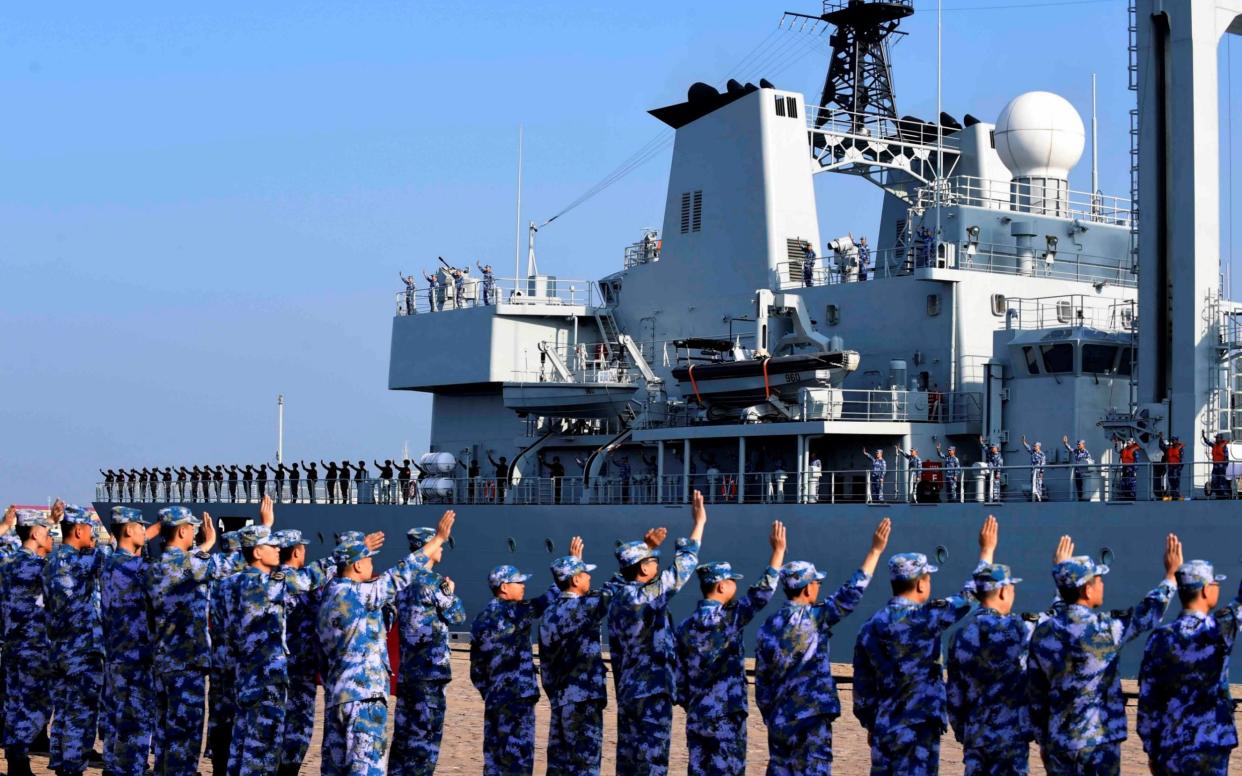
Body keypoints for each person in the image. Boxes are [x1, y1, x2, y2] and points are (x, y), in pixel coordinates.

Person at [854, 515, 999, 775]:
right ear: (921, 582)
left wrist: (872, 724)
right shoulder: (926, 617)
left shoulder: (870, 626)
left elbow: (863, 687)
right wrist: (987, 550)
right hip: (919, 726)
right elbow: (971, 596)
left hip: (885, 725)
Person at [1027, 535, 1181, 774]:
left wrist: (1043, 739)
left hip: (1060, 740)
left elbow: (1036, 694)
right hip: (1099, 743)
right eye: (1098, 579)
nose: (1102, 584)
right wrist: (1171, 576)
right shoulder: (1105, 629)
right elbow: (1148, 612)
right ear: (1087, 589)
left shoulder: (1044, 632)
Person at [316, 511, 453, 773]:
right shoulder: (360, 593)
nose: (371, 565)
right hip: (364, 700)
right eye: (368, 560)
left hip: (337, 698)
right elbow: (400, 574)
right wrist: (437, 539)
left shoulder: (329, 595)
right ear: (356, 566)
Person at [756, 518, 890, 775]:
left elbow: (762, 683)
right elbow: (851, 593)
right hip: (812, 719)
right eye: (816, 582)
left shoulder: (767, 627)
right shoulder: (815, 618)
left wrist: (772, 715)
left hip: (781, 719)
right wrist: (875, 551)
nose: (819, 585)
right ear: (807, 589)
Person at [947, 535, 1075, 775]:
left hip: (976, 737)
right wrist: (1062, 570)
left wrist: (964, 731)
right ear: (1003, 592)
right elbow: (1061, 617)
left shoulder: (959, 636)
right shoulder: (1020, 629)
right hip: (1011, 738)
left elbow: (954, 695)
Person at [146, 504, 252, 774]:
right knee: (185, 739)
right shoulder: (192, 564)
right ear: (182, 530)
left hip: (161, 662)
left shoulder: (155, 566)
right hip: (187, 665)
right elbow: (238, 561)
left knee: (165, 737)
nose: (194, 532)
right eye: (191, 528)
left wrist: (204, 545)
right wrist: (261, 527)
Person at [607, 489, 707, 774]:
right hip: (651, 691)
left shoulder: (618, 594)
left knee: (629, 762)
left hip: (629, 691)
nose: (657, 564)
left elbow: (621, 576)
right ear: (642, 570)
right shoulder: (643, 597)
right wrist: (699, 524)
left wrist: (645, 547)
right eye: (652, 561)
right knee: (652, 762)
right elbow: (680, 570)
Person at [680, 521, 788, 775]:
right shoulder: (729, 619)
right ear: (721, 586)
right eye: (731, 581)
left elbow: (677, 674)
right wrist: (778, 552)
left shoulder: (685, 627)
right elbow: (760, 595)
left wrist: (694, 702)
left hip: (698, 712)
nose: (734, 585)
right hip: (726, 712)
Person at [1137, 559, 1240, 774]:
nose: (1217, 588)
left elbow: (1148, 699)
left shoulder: (1160, 637)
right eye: (1215, 584)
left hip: (1171, 747)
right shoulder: (1218, 628)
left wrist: (1152, 749)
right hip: (1210, 746)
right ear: (1204, 590)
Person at [469, 554, 564, 775]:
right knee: (518, 761)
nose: (523, 587)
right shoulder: (516, 611)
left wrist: (492, 691)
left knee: (494, 760)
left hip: (494, 699)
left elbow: (476, 670)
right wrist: (570, 567)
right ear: (504, 587)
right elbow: (547, 599)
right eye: (519, 582)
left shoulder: (480, 619)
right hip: (518, 700)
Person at [43, 505, 113, 776]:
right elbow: (113, 555)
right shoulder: (82, 561)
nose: (93, 535)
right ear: (79, 530)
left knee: (62, 711)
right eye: (90, 529)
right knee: (81, 716)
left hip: (59, 648)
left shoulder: (52, 559)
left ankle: (61, 765)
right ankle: (73, 767)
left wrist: (52, 521)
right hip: (82, 651)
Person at [390, 527, 466, 775]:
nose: (441, 547)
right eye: (437, 544)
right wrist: (450, 593)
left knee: (402, 740)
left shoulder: (400, 582)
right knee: (425, 743)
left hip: (407, 672)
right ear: (428, 548)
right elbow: (458, 615)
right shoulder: (434, 583)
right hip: (430, 675)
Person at [538, 544, 614, 773]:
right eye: (584, 574)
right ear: (575, 581)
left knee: (559, 765)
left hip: (560, 698)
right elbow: (613, 592)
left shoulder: (549, 614)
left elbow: (545, 663)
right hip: (583, 700)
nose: (590, 577)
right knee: (585, 764)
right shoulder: (584, 607)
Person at [101, 506, 163, 776]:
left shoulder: (109, 562)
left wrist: (155, 531)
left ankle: (115, 768)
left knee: (118, 719)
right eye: (140, 527)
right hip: (136, 657)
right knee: (136, 721)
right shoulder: (136, 567)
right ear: (128, 529)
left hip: (116, 655)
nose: (143, 532)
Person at [1, 505, 57, 776]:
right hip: (34, 647)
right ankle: (18, 754)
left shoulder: (7, 563)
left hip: (12, 645)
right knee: (37, 704)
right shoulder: (39, 568)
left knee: (14, 703)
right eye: (47, 532)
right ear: (35, 534)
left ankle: (17, 762)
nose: (51, 536)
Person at [1062, 436, 1093, 502]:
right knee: (1078, 487)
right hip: (1077, 472)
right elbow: (1070, 449)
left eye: (1079, 444)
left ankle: (1084, 499)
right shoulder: (1076, 451)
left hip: (1084, 473)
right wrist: (1065, 443)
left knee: (1084, 487)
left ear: (1083, 445)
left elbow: (1089, 462)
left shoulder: (1086, 453)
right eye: (1077, 444)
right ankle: (1080, 499)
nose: (1078, 445)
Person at [1157, 432, 1185, 500]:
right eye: (1172, 440)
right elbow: (1162, 446)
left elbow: (1182, 460)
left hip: (1176, 468)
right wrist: (1160, 438)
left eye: (1174, 440)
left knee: (1176, 482)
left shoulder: (1180, 449)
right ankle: (1173, 495)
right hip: (1170, 468)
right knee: (1171, 481)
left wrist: (1179, 469)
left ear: (1177, 440)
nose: (1173, 441)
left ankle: (1176, 496)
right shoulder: (1169, 448)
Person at [1203, 431, 1231, 498]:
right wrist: (1204, 436)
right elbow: (1208, 442)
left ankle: (1223, 494)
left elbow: (1226, 458)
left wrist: (1224, 467)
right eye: (1216, 438)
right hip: (1215, 466)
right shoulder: (1214, 445)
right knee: (1214, 479)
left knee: (1221, 480)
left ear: (1221, 439)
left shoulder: (1224, 447)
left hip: (1221, 466)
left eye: (1217, 438)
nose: (1216, 439)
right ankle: (1216, 492)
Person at [1021, 436, 1047, 502]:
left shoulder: (1042, 454)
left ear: (1038, 446)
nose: (1034, 447)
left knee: (1039, 484)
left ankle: (1039, 497)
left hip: (1038, 471)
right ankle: (1033, 496)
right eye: (1034, 446)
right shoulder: (1033, 452)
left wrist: (1041, 473)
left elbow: (1043, 464)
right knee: (1033, 483)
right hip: (1033, 471)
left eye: (1035, 446)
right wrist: (1024, 442)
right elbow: (1028, 448)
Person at [980, 436, 1004, 501]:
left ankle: (996, 498)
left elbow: (999, 465)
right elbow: (986, 449)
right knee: (990, 484)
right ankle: (991, 497)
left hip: (996, 473)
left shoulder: (999, 456)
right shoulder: (990, 454)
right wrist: (982, 443)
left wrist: (998, 473)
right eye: (992, 448)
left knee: (996, 485)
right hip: (991, 472)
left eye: (993, 448)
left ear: (997, 448)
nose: (992, 449)